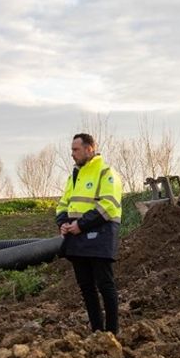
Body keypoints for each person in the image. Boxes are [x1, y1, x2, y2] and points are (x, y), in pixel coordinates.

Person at [57, 133, 124, 335]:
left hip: (100, 236)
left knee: (105, 285)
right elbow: (63, 204)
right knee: (86, 288)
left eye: (75, 150)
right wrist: (63, 223)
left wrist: (81, 225)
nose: (72, 154)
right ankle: (97, 331)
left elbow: (109, 205)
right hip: (77, 238)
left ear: (90, 149)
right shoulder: (74, 176)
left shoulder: (106, 172)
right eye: (71, 150)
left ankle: (112, 332)